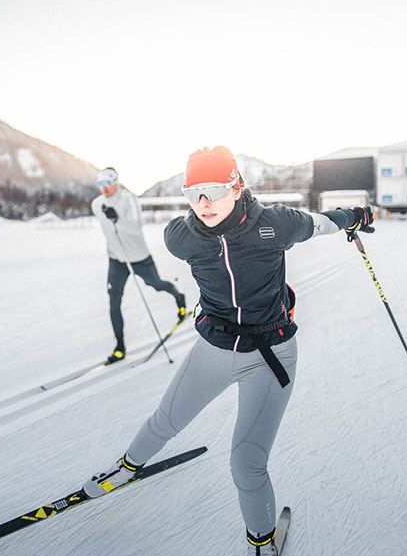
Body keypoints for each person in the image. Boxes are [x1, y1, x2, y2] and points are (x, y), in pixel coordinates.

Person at [83, 147, 374, 555]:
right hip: (214, 348)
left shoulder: (275, 223)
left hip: (270, 357)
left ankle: (262, 543)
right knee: (165, 420)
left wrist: (355, 216)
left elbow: (321, 223)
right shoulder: (179, 237)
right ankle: (127, 468)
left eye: (214, 190)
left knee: (246, 463)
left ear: (236, 185)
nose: (203, 203)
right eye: (193, 193)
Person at [91, 167, 187, 364]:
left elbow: (135, 227)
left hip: (139, 257)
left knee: (156, 285)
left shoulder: (129, 200)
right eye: (100, 184)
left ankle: (179, 297)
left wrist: (117, 218)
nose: (104, 188)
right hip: (117, 259)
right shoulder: (97, 204)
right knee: (114, 300)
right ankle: (119, 347)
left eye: (108, 183)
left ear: (116, 182)